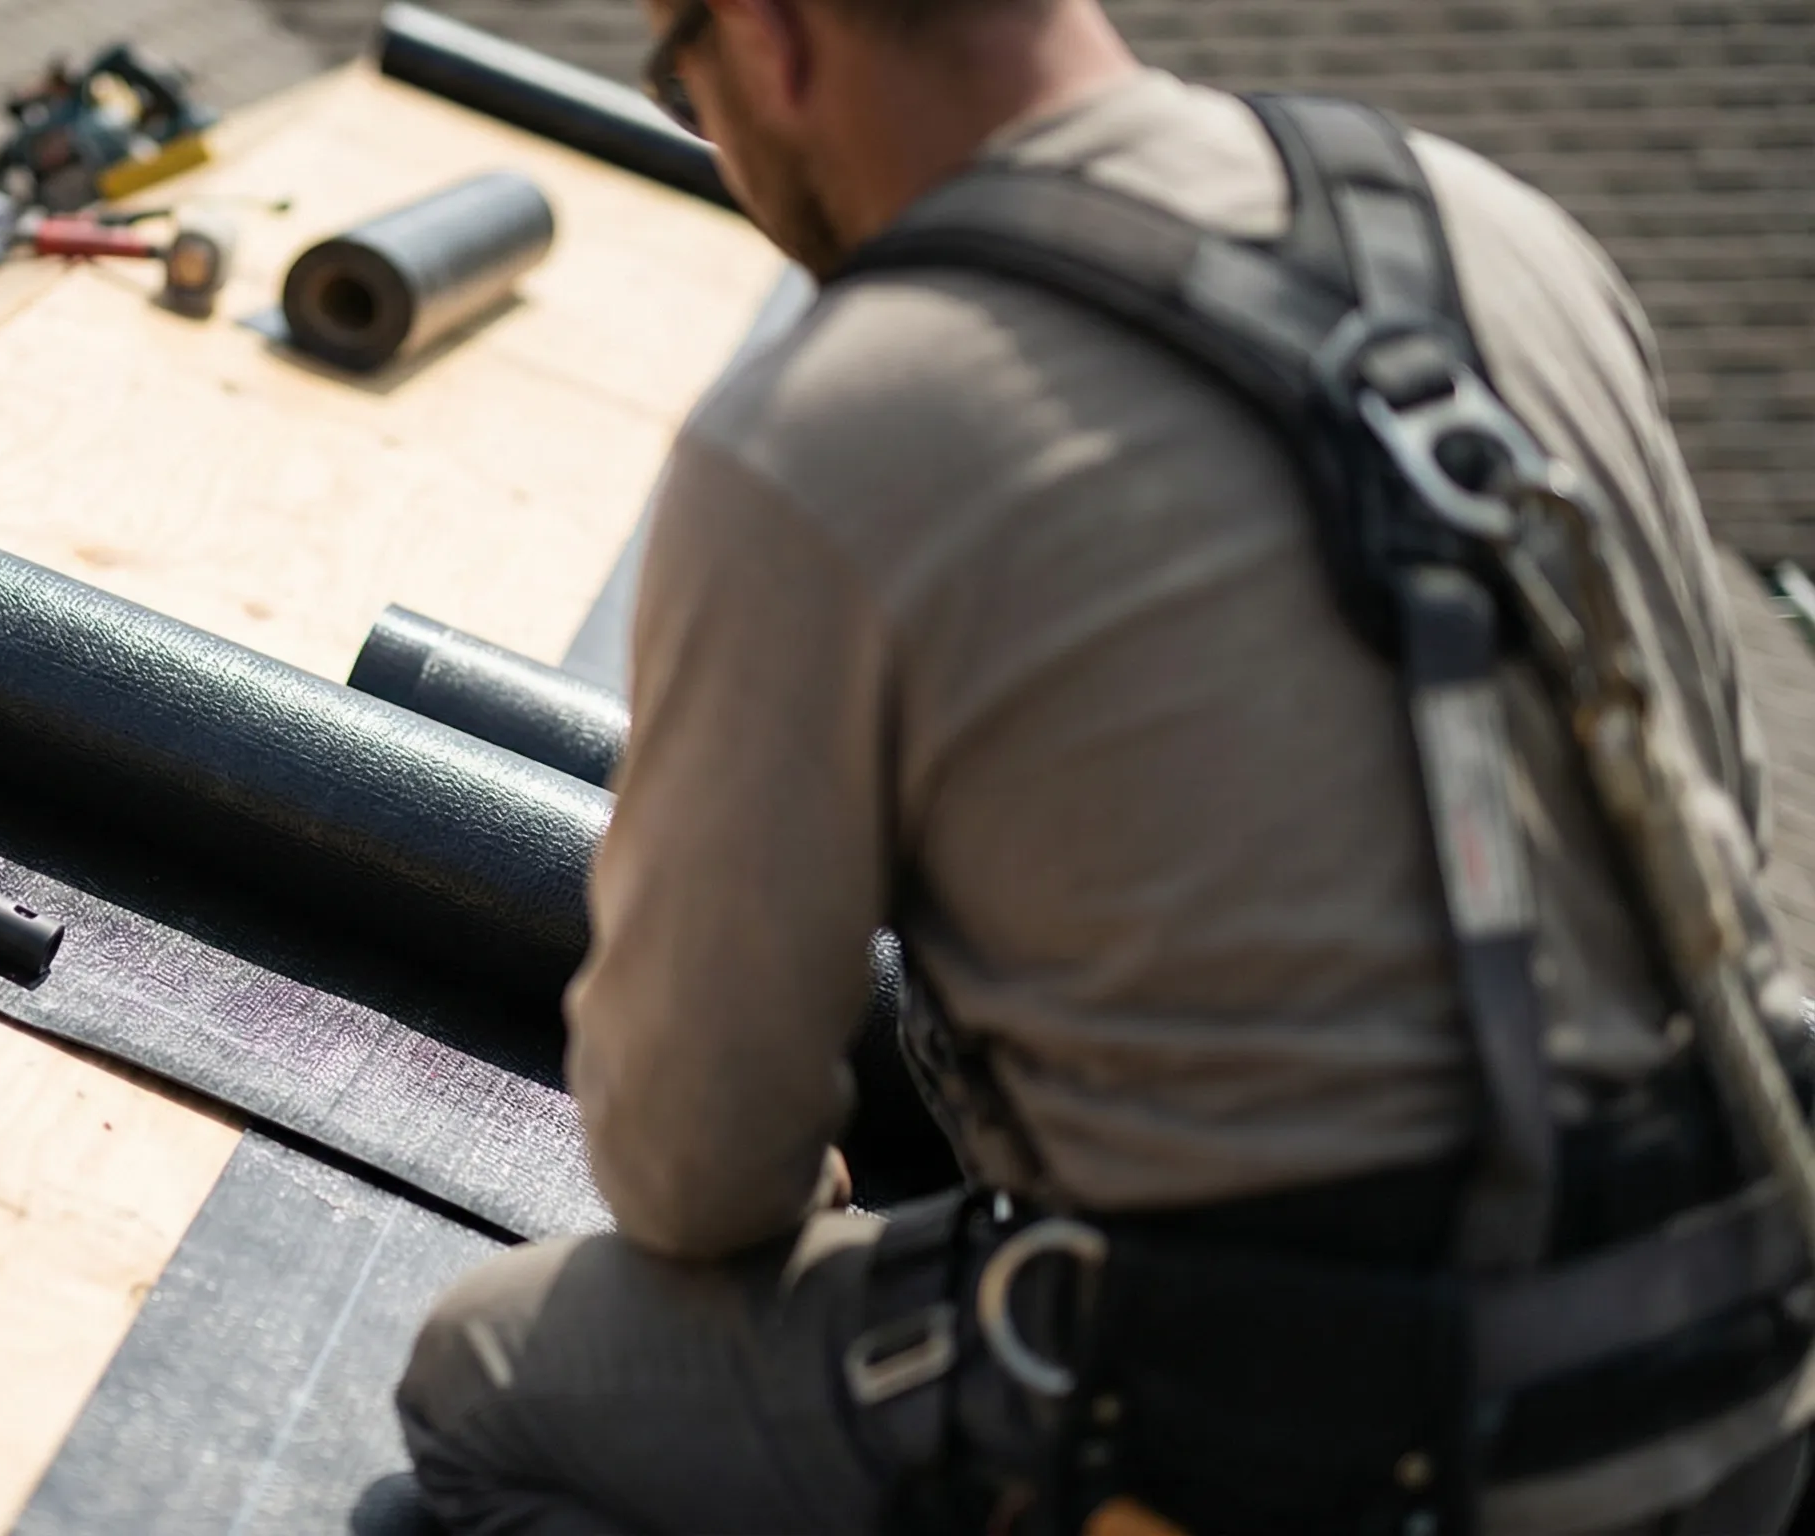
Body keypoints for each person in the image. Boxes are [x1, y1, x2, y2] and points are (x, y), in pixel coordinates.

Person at [390, 0, 1815, 1531]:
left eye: (687, 90)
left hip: (1336, 1459)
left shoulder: (829, 428)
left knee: (484, 1381)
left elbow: (691, 1170)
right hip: (1743, 1362)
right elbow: (1710, 826)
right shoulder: (1495, 225)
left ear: (771, 42)